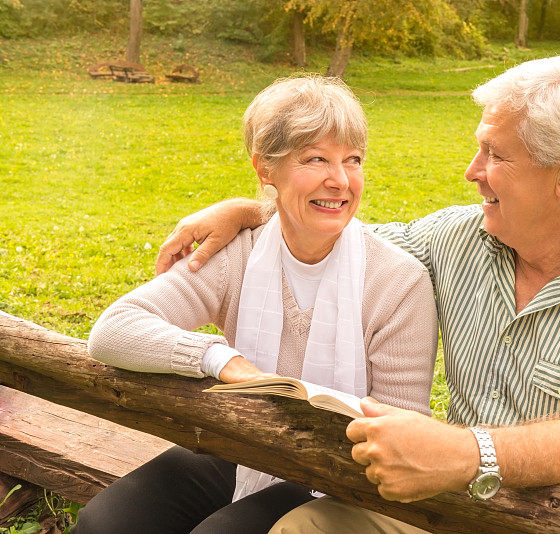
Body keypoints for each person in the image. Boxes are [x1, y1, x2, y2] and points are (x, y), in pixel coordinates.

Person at [156, 55, 560, 529]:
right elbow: (333, 234)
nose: (471, 172)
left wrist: (467, 453)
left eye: (495, 154)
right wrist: (253, 208)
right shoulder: (458, 238)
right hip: (458, 510)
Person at [74, 75, 438, 534]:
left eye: (353, 160)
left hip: (341, 472)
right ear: (266, 170)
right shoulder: (237, 254)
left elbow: (403, 431)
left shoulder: (398, 281)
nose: (341, 180)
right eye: (316, 159)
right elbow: (115, 328)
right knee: (105, 523)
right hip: (245, 440)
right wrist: (223, 360)